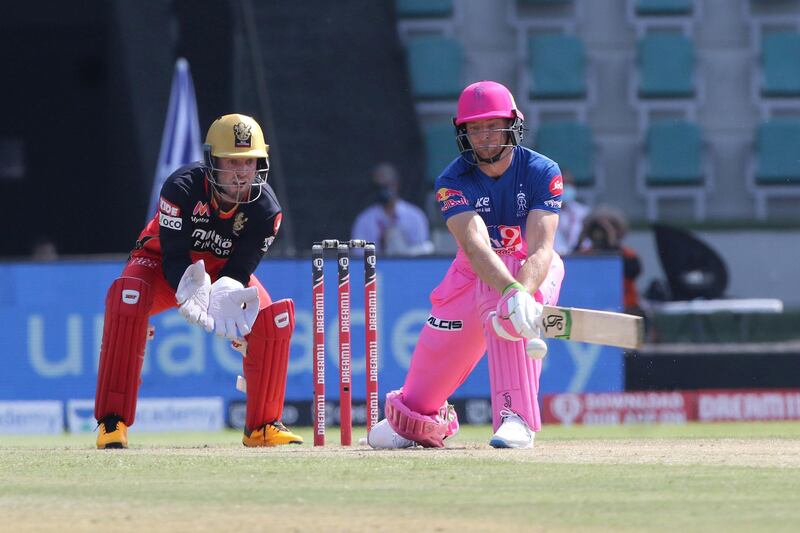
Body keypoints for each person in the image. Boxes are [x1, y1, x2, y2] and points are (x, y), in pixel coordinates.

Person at [367, 81, 565, 449]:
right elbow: (475, 248)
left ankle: (516, 417)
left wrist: (518, 292)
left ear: (513, 125)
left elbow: (541, 249)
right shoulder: (451, 180)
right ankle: (420, 420)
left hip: (533, 269)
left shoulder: (542, 170)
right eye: (474, 128)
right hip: (473, 273)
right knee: (412, 407)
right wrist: (511, 290)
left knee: (507, 304)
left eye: (492, 126)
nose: (484, 137)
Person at [94, 113, 302, 449]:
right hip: (160, 265)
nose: (242, 173)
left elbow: (239, 270)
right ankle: (111, 422)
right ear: (212, 162)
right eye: (233, 162)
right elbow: (175, 257)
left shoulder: (266, 210)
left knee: (271, 320)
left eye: (250, 163)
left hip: (222, 272)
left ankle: (263, 426)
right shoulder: (181, 188)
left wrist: (226, 289)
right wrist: (192, 290)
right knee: (126, 300)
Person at [350, 162, 434, 256]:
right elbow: (358, 256)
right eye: (378, 187)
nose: (382, 191)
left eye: (386, 186)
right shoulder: (365, 220)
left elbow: (423, 251)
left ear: (396, 184)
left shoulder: (415, 216)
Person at [576, 206, 642, 314]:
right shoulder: (585, 255)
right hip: (592, 308)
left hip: (625, 309)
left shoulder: (627, 255)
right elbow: (572, 269)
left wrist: (612, 242)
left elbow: (633, 271)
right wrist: (581, 239)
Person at [553, 170, 590, 255]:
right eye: (562, 183)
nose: (566, 187)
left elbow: (588, 242)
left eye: (569, 183)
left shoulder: (583, 212)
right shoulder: (545, 213)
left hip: (578, 259)